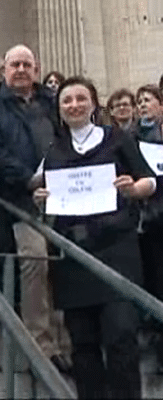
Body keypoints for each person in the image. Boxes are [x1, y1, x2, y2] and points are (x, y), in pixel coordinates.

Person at [34, 76, 155, 399]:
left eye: (80, 98)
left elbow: (150, 181)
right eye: (66, 101)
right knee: (83, 345)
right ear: (59, 109)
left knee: (121, 337)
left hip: (117, 251)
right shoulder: (54, 151)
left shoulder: (117, 139)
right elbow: (44, 194)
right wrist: (42, 198)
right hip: (73, 256)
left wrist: (134, 189)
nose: (74, 105)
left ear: (93, 104)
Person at [0, 44, 70, 372]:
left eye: (27, 64)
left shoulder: (53, 104)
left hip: (63, 195)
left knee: (65, 263)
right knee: (35, 261)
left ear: (37, 69)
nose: (21, 69)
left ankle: (67, 340)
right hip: (18, 200)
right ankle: (41, 344)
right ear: (5, 70)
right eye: (15, 64)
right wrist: (28, 179)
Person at [134, 84, 163, 366]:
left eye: (149, 100)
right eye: (139, 101)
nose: (143, 105)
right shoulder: (132, 136)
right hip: (147, 219)